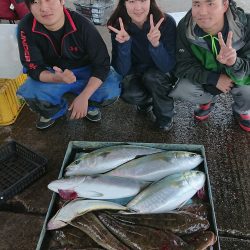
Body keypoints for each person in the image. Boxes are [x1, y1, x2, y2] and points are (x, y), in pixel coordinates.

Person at [17, 0, 121, 130]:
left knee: (111, 89)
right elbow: (33, 67)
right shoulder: (25, 26)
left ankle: (89, 105)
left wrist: (84, 96)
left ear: (62, 1)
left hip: (85, 70)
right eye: (35, 2)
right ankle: (54, 111)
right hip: (52, 72)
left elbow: (102, 65)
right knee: (31, 92)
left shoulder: (83, 25)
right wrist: (56, 78)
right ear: (29, 7)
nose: (43, 8)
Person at [170, 0, 250, 132]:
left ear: (225, 5)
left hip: (238, 76)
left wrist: (234, 63)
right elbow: (182, 65)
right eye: (196, 4)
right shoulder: (185, 27)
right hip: (208, 78)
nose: (202, 11)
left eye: (210, 3)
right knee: (183, 88)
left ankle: (242, 109)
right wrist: (212, 79)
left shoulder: (246, 25)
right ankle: (206, 100)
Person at [107, 0, 176, 131]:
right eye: (132, 1)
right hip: (136, 71)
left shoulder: (166, 22)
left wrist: (156, 45)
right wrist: (124, 45)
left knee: (152, 77)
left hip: (160, 73)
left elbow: (167, 66)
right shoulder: (118, 25)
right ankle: (146, 101)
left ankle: (166, 116)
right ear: (124, 3)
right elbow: (122, 70)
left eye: (143, 0)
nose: (138, 8)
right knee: (129, 92)